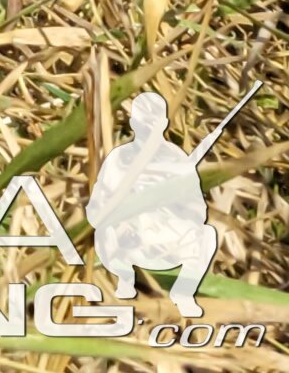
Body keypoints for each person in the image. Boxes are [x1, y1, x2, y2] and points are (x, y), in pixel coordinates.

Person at [88, 92, 218, 317]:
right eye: (143, 122)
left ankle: (183, 294)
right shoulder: (119, 158)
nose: (148, 128)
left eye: (153, 122)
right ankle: (124, 282)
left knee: (207, 235)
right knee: (104, 232)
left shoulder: (178, 159)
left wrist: (173, 201)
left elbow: (199, 211)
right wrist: (121, 215)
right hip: (126, 241)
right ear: (133, 123)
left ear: (165, 124)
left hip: (167, 238)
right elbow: (96, 208)